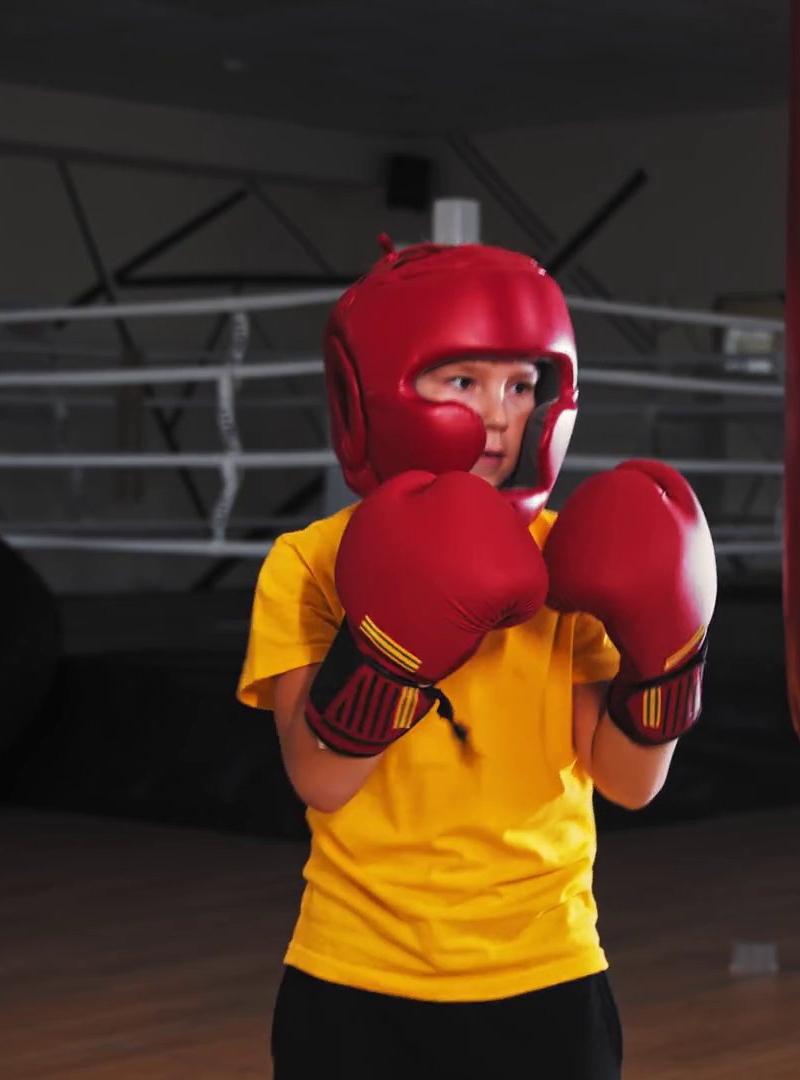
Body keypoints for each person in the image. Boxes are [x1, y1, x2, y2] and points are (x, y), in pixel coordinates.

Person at [237, 238, 717, 1080]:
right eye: (462, 381)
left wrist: (669, 659)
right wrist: (390, 648)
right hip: (354, 968)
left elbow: (629, 781)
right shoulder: (309, 562)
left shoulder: (574, 555)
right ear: (379, 389)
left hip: (547, 969)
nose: (501, 414)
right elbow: (319, 778)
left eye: (522, 385)